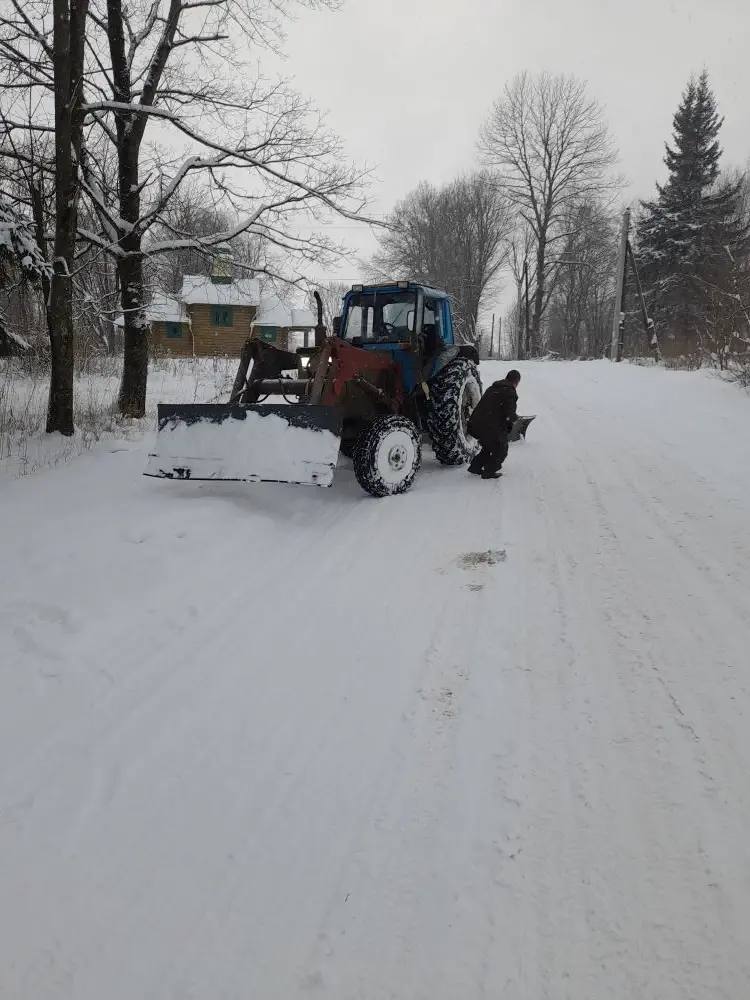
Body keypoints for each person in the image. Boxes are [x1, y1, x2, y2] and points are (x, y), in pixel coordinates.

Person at [467, 370, 521, 479]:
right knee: (501, 449)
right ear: (516, 382)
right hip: (489, 426)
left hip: (476, 424)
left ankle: (475, 467)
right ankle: (489, 471)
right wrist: (514, 419)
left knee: (488, 446)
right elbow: (509, 415)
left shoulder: (492, 388)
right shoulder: (510, 392)